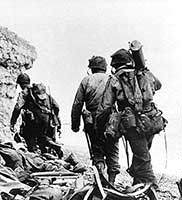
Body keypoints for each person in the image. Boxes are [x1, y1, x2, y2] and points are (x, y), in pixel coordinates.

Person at [96, 48, 162, 188]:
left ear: (115, 65)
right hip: (152, 119)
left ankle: (151, 184)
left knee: (142, 156)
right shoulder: (144, 73)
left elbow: (106, 106)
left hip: (132, 124)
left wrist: (99, 125)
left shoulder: (115, 79)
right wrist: (145, 70)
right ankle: (138, 182)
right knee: (142, 153)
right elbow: (158, 85)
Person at [71, 56, 120, 184]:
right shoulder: (112, 79)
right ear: (105, 67)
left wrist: (75, 125)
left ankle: (100, 180)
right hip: (111, 120)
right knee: (112, 149)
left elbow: (77, 104)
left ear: (91, 68)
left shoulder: (86, 80)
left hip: (92, 121)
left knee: (97, 150)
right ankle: (112, 182)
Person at [10, 74, 63, 158]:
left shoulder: (25, 93)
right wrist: (55, 119)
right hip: (48, 119)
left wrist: (12, 123)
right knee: (42, 137)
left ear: (20, 84)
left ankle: (34, 154)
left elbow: (17, 107)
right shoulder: (43, 93)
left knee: (28, 135)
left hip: (35, 120)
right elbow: (56, 106)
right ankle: (53, 146)